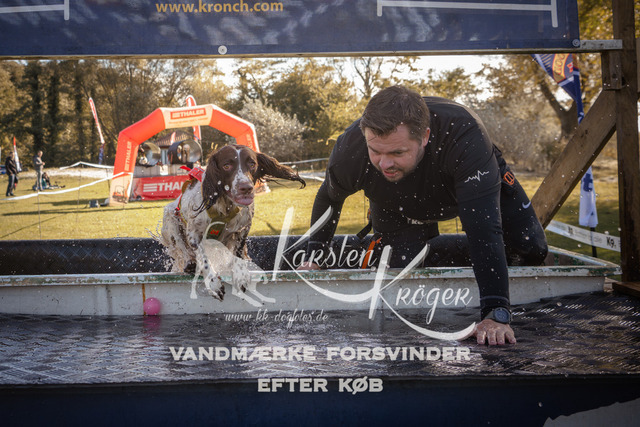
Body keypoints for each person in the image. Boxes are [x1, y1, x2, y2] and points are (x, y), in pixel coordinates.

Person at [300, 86, 548, 346]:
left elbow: (483, 229)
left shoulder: (464, 136)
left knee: (530, 248)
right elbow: (329, 198)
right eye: (376, 151)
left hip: (459, 187)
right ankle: (424, 251)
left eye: (397, 152)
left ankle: (464, 257)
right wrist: (315, 257)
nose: (384, 163)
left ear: (425, 136)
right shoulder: (350, 149)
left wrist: (495, 312)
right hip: (394, 202)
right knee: (402, 270)